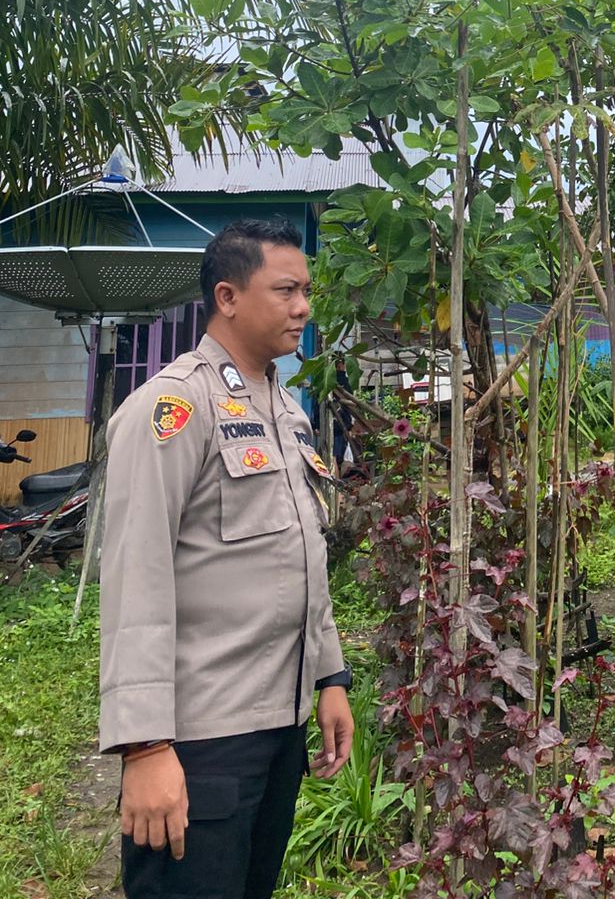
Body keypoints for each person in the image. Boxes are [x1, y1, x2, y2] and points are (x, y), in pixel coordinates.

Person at [99, 218, 354, 898]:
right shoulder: (174, 407)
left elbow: (301, 553)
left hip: (277, 727)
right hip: (200, 738)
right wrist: (145, 746)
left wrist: (330, 677)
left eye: (306, 291)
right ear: (228, 296)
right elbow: (135, 575)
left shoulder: (285, 411)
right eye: (286, 290)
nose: (303, 307)